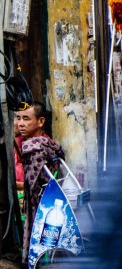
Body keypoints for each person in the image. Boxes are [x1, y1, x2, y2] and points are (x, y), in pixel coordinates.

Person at [17, 101, 64, 264]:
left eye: (26, 119)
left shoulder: (33, 148)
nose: (20, 124)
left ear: (41, 121)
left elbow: (30, 183)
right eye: (18, 118)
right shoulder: (47, 142)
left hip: (38, 202)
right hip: (50, 196)